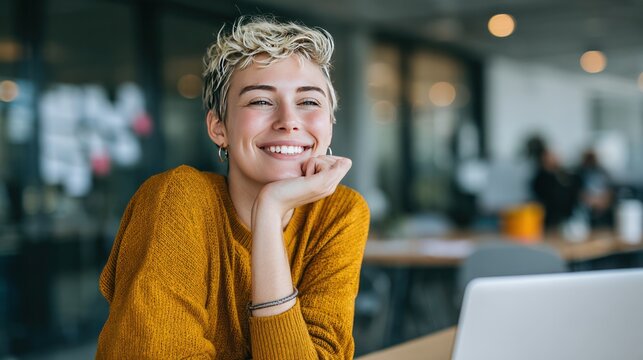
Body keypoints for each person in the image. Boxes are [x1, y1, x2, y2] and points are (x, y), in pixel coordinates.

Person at [96, 16, 370, 359]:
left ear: (329, 122)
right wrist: (270, 210)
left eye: (309, 101)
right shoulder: (176, 199)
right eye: (260, 101)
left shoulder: (339, 211)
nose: (288, 120)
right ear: (219, 128)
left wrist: (269, 212)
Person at [574, 149, 613, 227]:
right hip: (583, 214)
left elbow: (609, 194)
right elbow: (578, 194)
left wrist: (601, 202)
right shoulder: (579, 173)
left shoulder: (603, 172)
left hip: (602, 213)